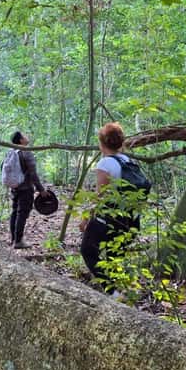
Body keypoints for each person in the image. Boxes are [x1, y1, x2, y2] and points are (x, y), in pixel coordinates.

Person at [79, 122, 140, 293]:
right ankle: (118, 291)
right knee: (115, 257)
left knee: (87, 251)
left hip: (108, 218)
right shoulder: (128, 161)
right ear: (121, 142)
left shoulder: (105, 164)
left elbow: (100, 196)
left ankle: (111, 291)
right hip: (129, 219)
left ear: (101, 143)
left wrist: (85, 219)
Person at [7, 131, 49, 249]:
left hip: (15, 187)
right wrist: (41, 189)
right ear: (21, 140)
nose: (27, 136)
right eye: (25, 135)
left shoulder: (11, 152)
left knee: (15, 212)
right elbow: (33, 174)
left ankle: (13, 239)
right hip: (25, 188)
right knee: (22, 213)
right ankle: (18, 241)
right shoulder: (26, 153)